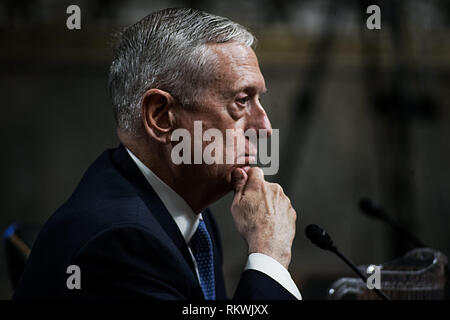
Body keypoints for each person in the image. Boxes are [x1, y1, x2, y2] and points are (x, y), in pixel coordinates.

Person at [13, 8, 301, 300]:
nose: (265, 128)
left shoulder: (186, 209)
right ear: (161, 117)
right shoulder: (120, 241)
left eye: (259, 99)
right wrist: (268, 255)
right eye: (242, 101)